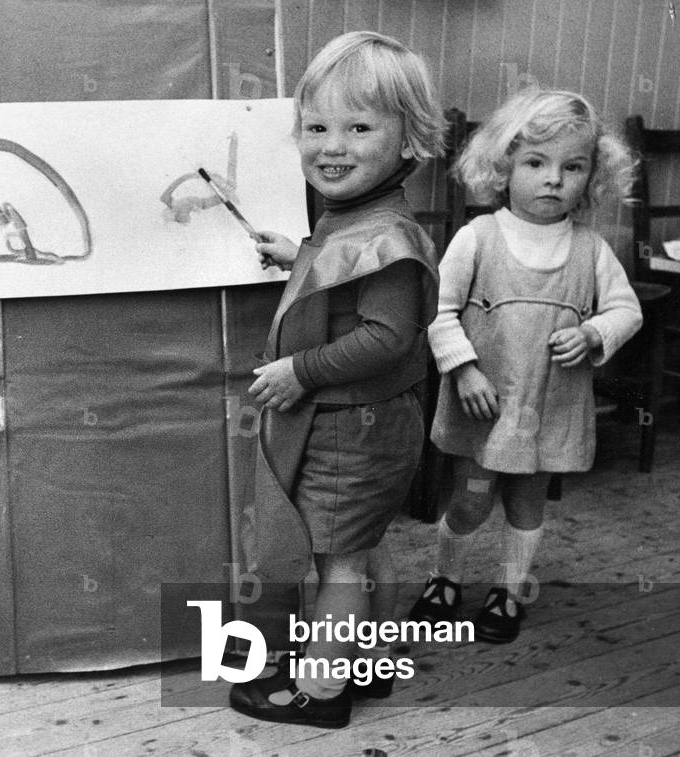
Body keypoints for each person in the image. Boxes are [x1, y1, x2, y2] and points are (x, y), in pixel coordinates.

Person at [228, 31, 445, 728]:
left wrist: (299, 370)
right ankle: (367, 662)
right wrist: (300, 256)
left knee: (339, 563)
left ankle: (319, 691)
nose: (331, 145)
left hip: (354, 427)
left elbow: (387, 335)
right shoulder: (355, 216)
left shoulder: (387, 238)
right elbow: (344, 275)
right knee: (365, 544)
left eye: (358, 127)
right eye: (316, 126)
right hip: (374, 425)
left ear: (408, 138)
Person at [407, 89, 641, 644]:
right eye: (536, 162)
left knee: (528, 501)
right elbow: (435, 311)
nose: (553, 179)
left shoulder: (591, 249)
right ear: (504, 165)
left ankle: (508, 592)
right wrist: (463, 369)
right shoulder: (477, 238)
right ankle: (445, 577)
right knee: (469, 498)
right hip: (483, 407)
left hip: (548, 407)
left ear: (592, 177)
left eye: (572, 166)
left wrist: (592, 332)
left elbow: (626, 311)